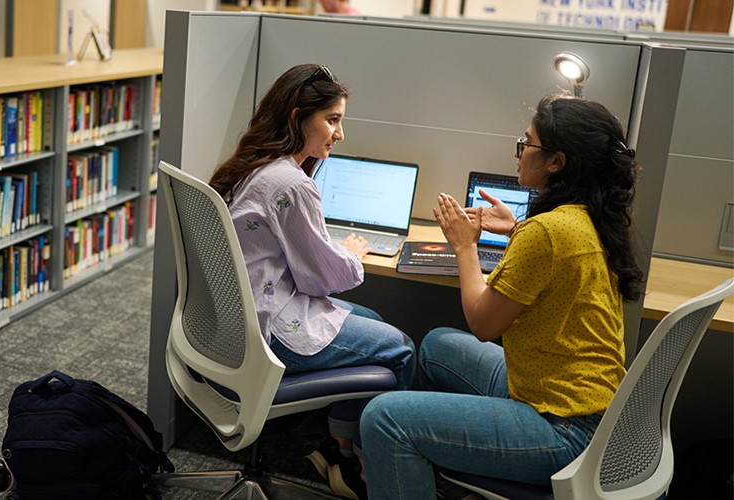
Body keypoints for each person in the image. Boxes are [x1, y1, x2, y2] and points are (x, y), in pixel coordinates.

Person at [360, 94, 644, 499]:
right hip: (586, 404)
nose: (519, 153)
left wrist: (464, 246)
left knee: (384, 419)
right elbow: (554, 264)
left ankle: (404, 460)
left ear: (556, 161)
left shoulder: (546, 232)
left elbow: (482, 323)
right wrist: (515, 231)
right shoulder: (588, 217)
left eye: (526, 144)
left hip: (561, 429)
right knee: (437, 346)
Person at [209, 63, 416, 498]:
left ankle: (336, 444)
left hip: (232, 324)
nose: (340, 134)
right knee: (400, 349)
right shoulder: (290, 182)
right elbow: (321, 277)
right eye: (333, 120)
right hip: (273, 332)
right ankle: (364, 462)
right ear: (296, 116)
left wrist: (333, 252)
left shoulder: (250, 166)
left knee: (374, 319)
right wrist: (352, 255)